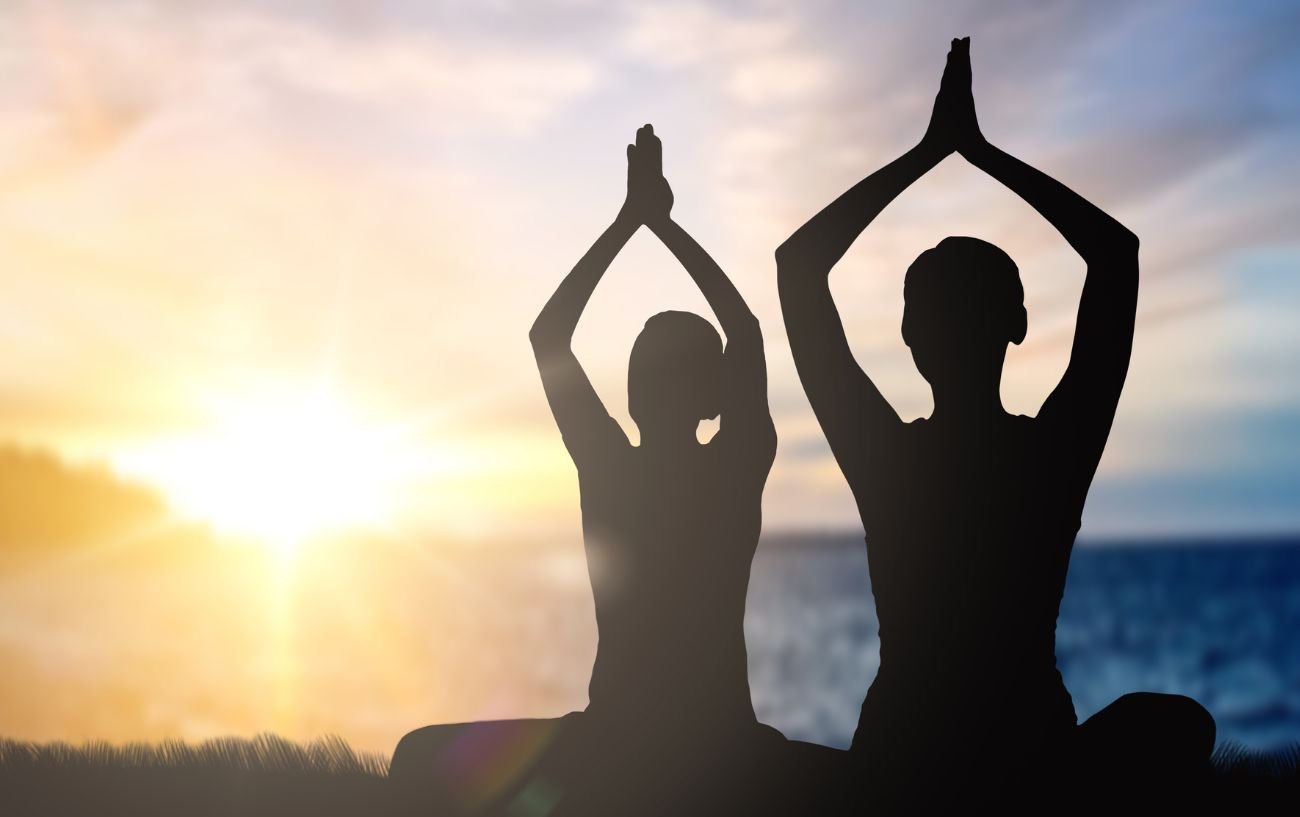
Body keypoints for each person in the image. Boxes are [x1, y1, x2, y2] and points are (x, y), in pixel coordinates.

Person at [775, 38, 1214, 810]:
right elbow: (1116, 256)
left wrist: (931, 152)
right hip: (1029, 756)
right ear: (1016, 326)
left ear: (911, 339)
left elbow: (799, 266)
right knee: (1179, 723)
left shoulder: (887, 456)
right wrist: (980, 153)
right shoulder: (1052, 451)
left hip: (905, 757)